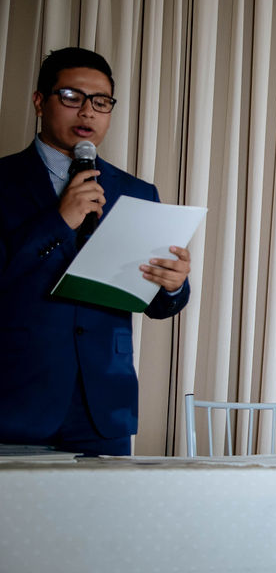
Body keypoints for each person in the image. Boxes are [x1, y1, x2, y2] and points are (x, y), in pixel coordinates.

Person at [0, 47, 191, 456]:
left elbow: (158, 305)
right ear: (39, 102)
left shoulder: (137, 192)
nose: (87, 111)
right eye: (72, 96)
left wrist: (173, 285)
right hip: (14, 399)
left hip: (103, 407)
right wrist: (58, 221)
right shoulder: (3, 181)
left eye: (101, 102)